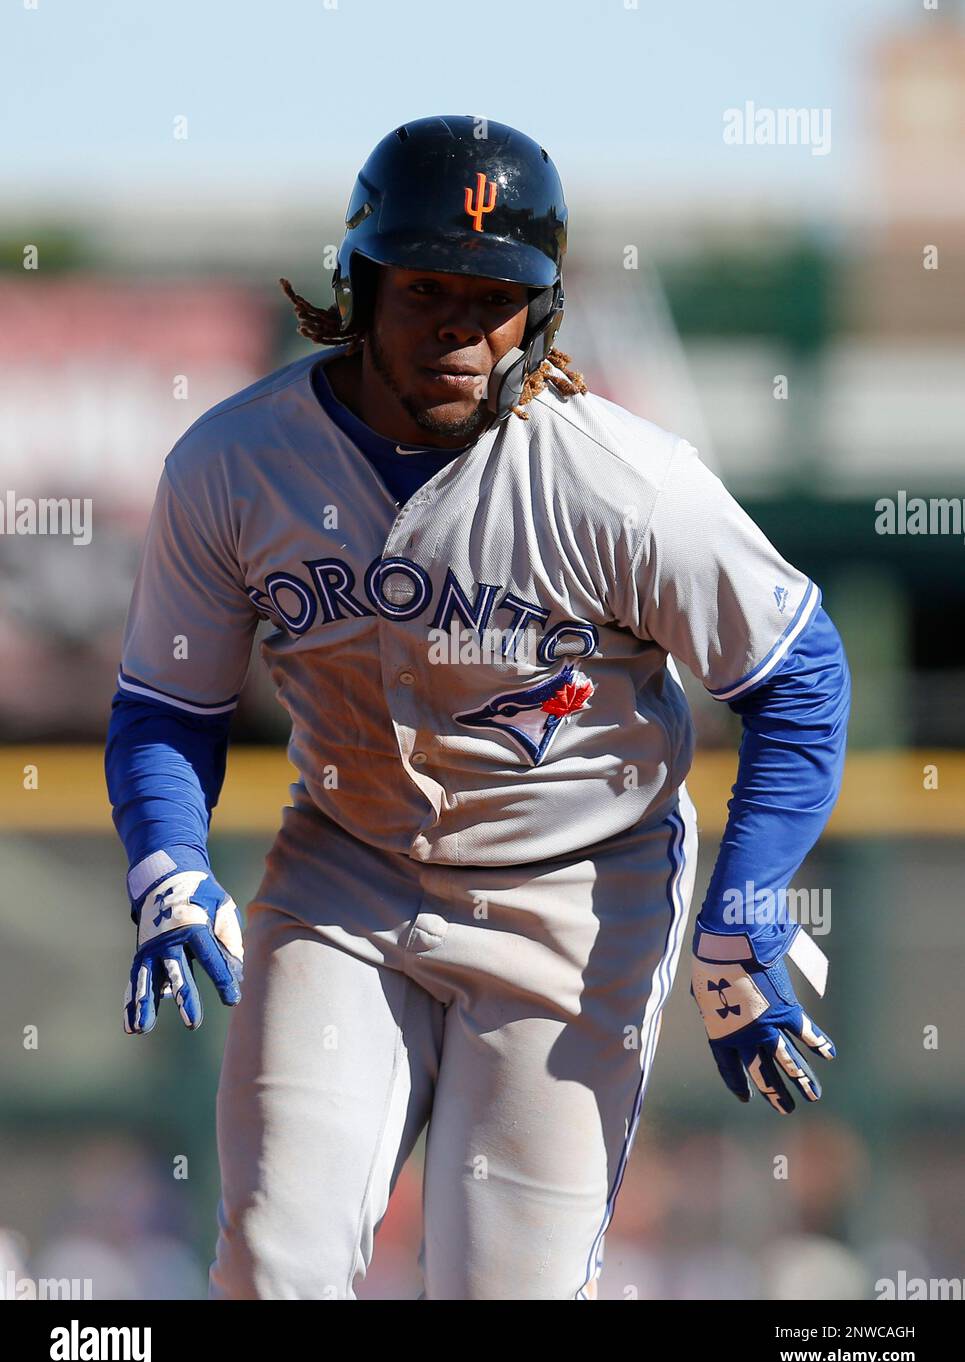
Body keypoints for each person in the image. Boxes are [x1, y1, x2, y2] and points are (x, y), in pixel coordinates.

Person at [105, 115, 850, 1301]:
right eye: (425, 286)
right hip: (344, 874)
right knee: (271, 1262)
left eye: (497, 293)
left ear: (541, 312)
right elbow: (165, 703)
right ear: (357, 289)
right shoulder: (233, 464)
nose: (459, 321)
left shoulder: (623, 481)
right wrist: (167, 857)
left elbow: (797, 679)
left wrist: (744, 906)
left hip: (577, 893)